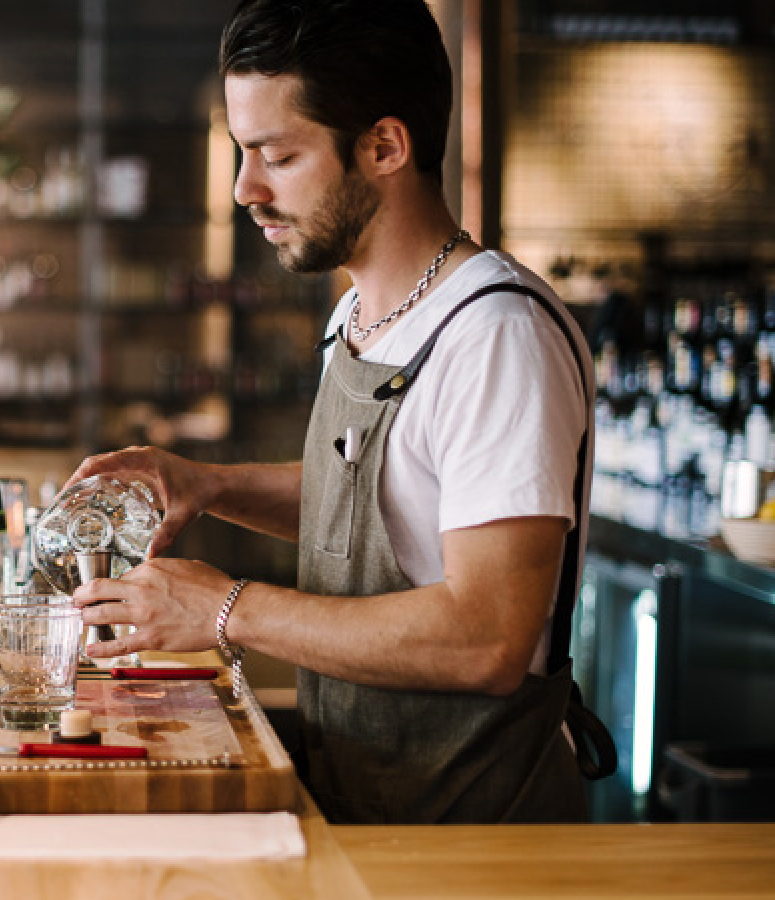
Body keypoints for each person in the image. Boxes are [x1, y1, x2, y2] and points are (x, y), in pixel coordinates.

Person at [68, 0, 614, 824]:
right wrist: (209, 483)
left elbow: (488, 636)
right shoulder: (358, 315)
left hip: (474, 840)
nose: (246, 191)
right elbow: (387, 505)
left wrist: (223, 608)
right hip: (365, 805)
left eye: (277, 156)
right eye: (242, 154)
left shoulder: (496, 337)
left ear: (385, 146)